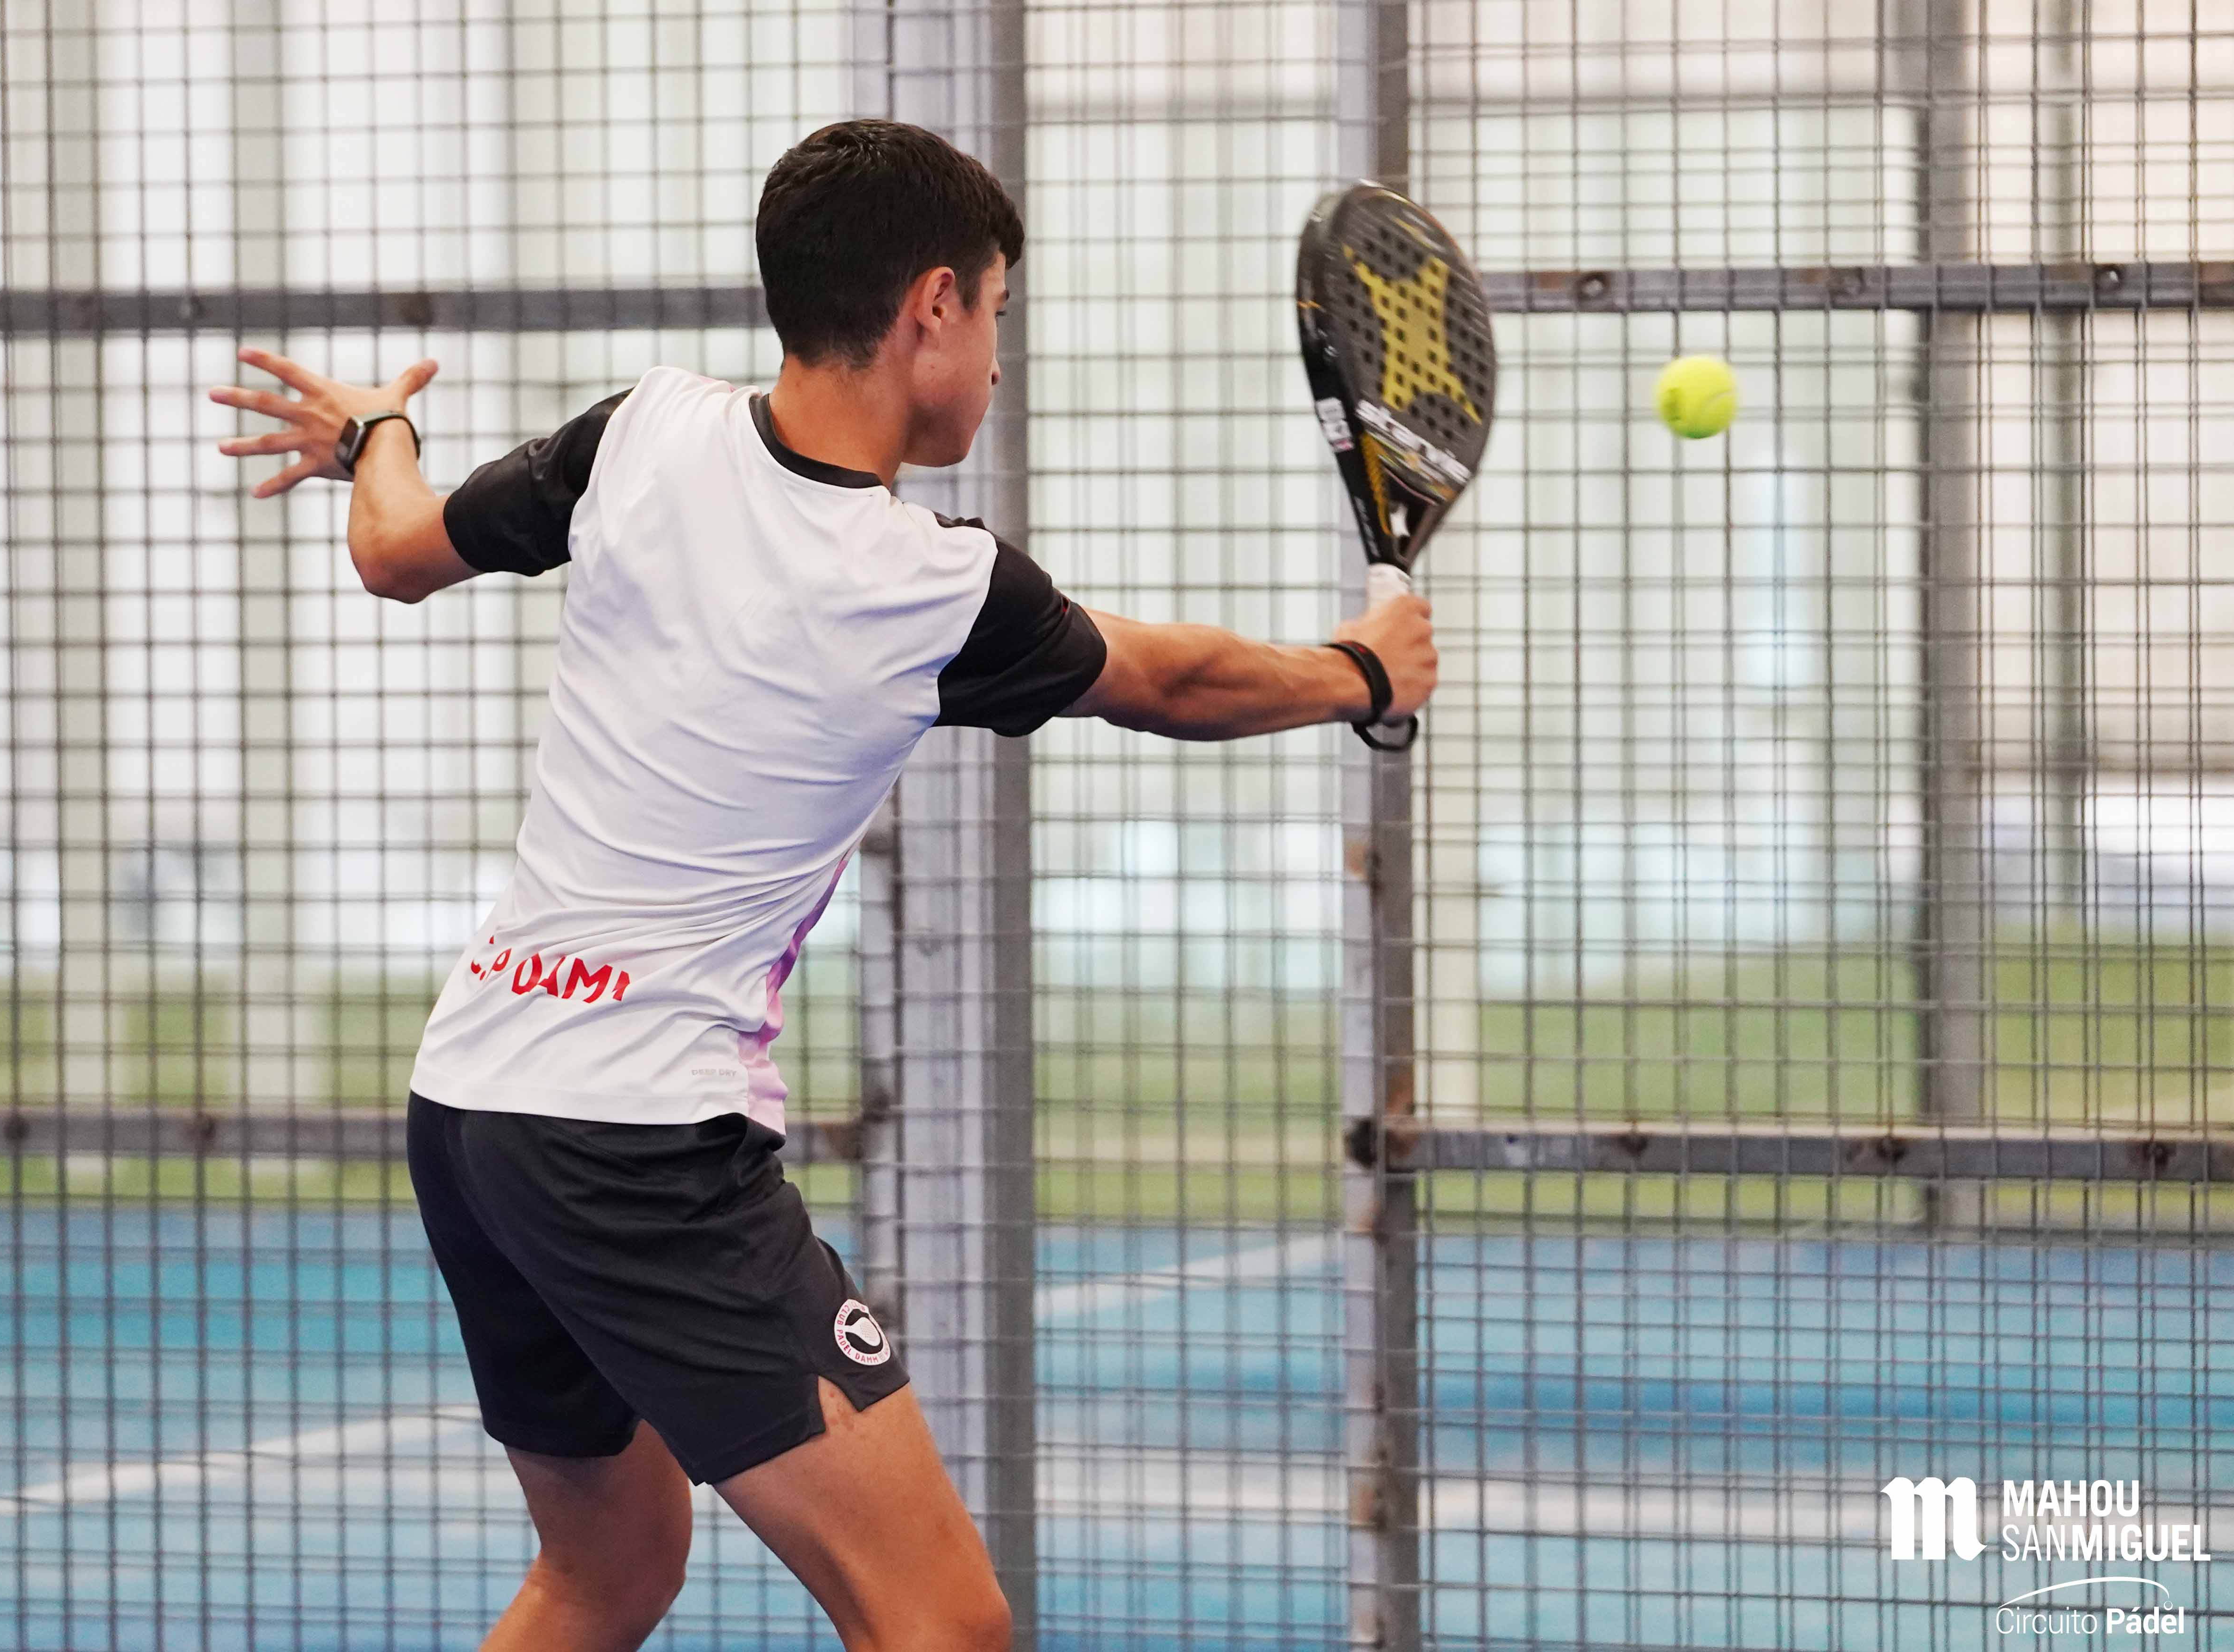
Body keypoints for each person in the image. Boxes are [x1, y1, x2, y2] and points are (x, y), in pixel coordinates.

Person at [211, 118, 1435, 1652]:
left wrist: (378, 432)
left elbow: (393, 549)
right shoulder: (929, 584)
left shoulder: (641, 432)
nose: (999, 361)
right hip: (639, 1139)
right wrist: (1363, 671)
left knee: (609, 1567)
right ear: (933, 306)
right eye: (997, 313)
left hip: (473, 1100)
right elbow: (1170, 681)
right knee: (943, 1621)